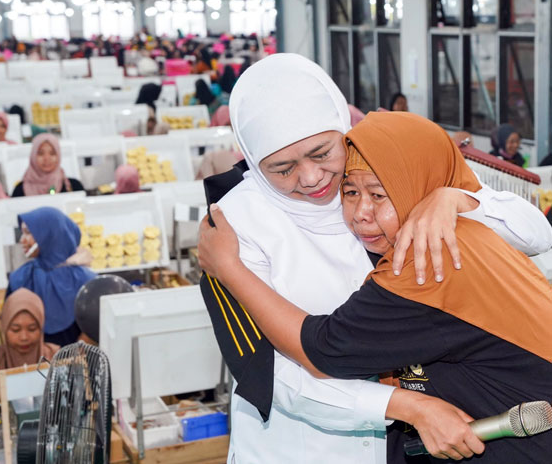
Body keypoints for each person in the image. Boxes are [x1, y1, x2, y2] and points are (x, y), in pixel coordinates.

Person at [193, 54, 551, 464]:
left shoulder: (376, 164)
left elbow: (535, 233)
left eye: (322, 152)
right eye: (282, 168)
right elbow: (274, 378)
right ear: (255, 164)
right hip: (303, 448)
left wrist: (454, 199)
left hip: (412, 443)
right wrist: (404, 406)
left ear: (343, 130)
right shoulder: (229, 233)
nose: (310, 178)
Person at [7, 207, 95, 346]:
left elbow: (94, 330)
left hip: (80, 363)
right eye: (22, 233)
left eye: (29, 233)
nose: (22, 240)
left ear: (49, 235)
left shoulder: (87, 283)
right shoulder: (20, 278)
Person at [0, 288, 60, 387]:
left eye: (32, 329)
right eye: (15, 329)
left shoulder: (57, 358)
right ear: (4, 327)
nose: (24, 337)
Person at [11, 134, 84, 197]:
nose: (46, 158)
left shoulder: (74, 187)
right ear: (33, 156)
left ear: (58, 156)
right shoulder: (19, 191)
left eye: (52, 153)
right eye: (41, 153)